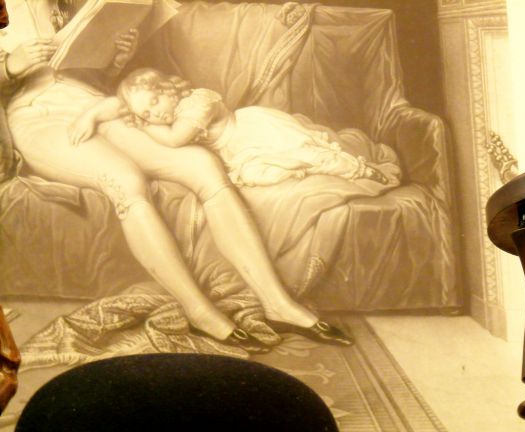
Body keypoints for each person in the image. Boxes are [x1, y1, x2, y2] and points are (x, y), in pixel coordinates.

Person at [0, 0, 351, 347]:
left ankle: (277, 303)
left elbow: (87, 69)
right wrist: (11, 68)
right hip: (37, 115)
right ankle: (198, 311)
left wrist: (116, 56)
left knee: (202, 164)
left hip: (98, 105)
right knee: (125, 180)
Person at [69, 67, 391, 187]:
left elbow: (176, 138)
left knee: (311, 153)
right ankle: (298, 170)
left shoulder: (198, 103)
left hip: (252, 132)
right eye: (146, 113)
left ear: (167, 89)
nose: (155, 114)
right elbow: (120, 105)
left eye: (155, 102)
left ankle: (359, 170)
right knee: (255, 175)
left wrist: (141, 123)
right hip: (236, 153)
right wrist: (90, 116)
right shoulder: (157, 114)